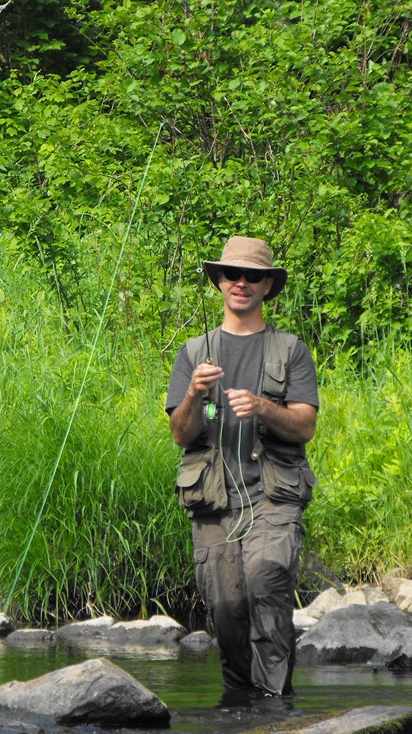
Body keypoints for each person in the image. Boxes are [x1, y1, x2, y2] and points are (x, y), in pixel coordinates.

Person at [165, 235, 319, 698]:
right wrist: (193, 393)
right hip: (213, 501)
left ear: (268, 286)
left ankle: (274, 707)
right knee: (228, 610)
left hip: (272, 496)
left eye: (254, 276)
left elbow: (305, 426)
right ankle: (239, 706)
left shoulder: (290, 350)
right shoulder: (194, 353)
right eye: (233, 274)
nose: (242, 283)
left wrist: (263, 408)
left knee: (267, 581)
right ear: (219, 281)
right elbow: (180, 434)